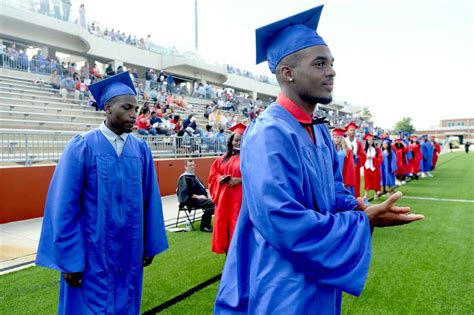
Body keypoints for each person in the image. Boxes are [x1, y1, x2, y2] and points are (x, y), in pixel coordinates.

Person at [214, 5, 424, 314]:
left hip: (319, 275)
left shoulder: (319, 130)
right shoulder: (268, 133)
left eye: (332, 63)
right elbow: (282, 220)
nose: (332, 71)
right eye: (320, 63)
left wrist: (358, 205)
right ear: (288, 73)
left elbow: (334, 190)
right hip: (281, 281)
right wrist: (363, 222)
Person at [36, 72, 168, 314]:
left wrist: (148, 245)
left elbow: (151, 201)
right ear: (107, 107)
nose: (133, 114)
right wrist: (70, 260)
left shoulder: (140, 150)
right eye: (127, 107)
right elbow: (63, 208)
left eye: (136, 109)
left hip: (129, 252)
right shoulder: (82, 146)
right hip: (90, 255)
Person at [208, 123, 246, 254]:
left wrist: (239, 180)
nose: (237, 143)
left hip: (240, 199)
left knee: (238, 227)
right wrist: (220, 178)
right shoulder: (223, 158)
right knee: (225, 227)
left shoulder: (249, 157)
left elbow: (257, 176)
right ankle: (227, 256)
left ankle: (240, 257)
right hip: (224, 199)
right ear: (231, 141)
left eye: (241, 140)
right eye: (235, 140)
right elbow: (214, 174)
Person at [177, 160, 215, 232]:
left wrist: (207, 196)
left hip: (200, 200)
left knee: (215, 201)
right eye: (190, 165)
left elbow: (201, 189)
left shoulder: (193, 176)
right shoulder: (184, 178)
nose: (192, 167)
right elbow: (184, 193)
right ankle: (204, 226)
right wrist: (199, 196)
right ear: (185, 167)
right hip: (190, 201)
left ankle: (207, 223)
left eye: (193, 165)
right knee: (211, 203)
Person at [332, 127, 356, 196]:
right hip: (334, 178)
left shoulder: (347, 151)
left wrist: (347, 181)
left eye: (338, 137)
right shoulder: (332, 150)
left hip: (344, 178)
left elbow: (350, 167)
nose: (336, 139)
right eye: (335, 137)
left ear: (342, 138)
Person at [345, 121, 366, 197]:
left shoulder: (358, 143)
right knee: (345, 182)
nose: (352, 131)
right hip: (345, 166)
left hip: (355, 166)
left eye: (353, 130)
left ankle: (356, 199)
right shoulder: (344, 141)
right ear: (348, 131)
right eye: (351, 130)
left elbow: (363, 154)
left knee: (356, 183)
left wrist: (356, 156)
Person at [363, 133, 382, 199]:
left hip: (374, 167)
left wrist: (373, 158)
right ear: (367, 141)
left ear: (373, 141)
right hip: (367, 167)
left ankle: (376, 193)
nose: (370, 141)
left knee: (375, 180)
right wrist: (365, 157)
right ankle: (366, 194)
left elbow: (380, 158)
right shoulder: (364, 149)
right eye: (368, 140)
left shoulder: (377, 149)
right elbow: (362, 157)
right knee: (367, 180)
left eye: (371, 140)